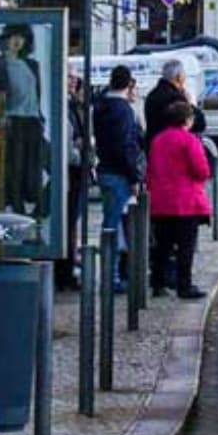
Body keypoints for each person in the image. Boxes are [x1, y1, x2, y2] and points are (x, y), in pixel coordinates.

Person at [146, 99, 212, 300]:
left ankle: (158, 283)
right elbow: (201, 170)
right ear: (187, 119)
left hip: (161, 201)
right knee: (185, 247)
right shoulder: (190, 140)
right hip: (186, 202)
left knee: (162, 246)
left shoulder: (158, 139)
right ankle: (184, 285)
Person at [92, 65, 142, 292]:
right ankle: (111, 278)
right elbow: (126, 146)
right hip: (119, 173)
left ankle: (113, 274)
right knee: (114, 226)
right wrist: (134, 177)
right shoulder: (123, 110)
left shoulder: (101, 105)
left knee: (111, 225)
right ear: (129, 84)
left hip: (105, 170)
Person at [0, 23, 45, 216]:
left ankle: (37, 207)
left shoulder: (32, 64)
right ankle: (16, 205)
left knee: (34, 167)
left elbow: (37, 94)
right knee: (14, 167)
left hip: (32, 120)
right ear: (5, 39)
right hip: (12, 121)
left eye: (22, 37)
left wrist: (40, 117)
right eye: (13, 36)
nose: (17, 41)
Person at [59, 73, 89, 292]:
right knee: (68, 221)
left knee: (71, 221)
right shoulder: (66, 109)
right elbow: (69, 145)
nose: (72, 82)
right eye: (68, 77)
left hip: (75, 171)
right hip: (70, 171)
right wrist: (80, 149)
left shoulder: (74, 108)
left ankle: (68, 265)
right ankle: (64, 270)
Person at [145, 58, 206, 149]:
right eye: (184, 74)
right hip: (173, 150)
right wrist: (190, 103)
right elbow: (199, 124)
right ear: (179, 77)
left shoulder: (152, 95)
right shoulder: (176, 98)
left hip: (154, 149)